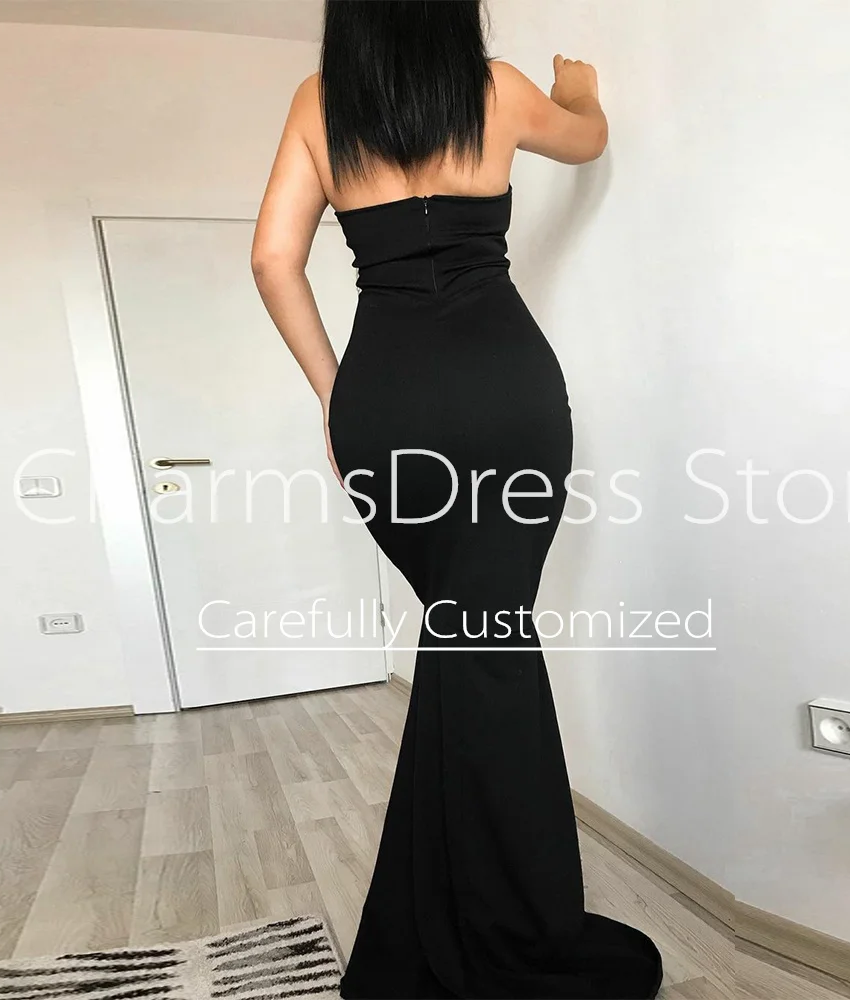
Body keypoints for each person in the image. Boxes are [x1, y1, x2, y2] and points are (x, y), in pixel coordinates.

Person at [251, 2, 663, 997]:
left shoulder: (320, 102)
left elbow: (272, 258)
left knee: (467, 640)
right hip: (504, 395)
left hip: (384, 403)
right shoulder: (499, 91)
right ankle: (510, 929)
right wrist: (579, 91)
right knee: (487, 644)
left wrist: (332, 392)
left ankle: (450, 911)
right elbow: (588, 139)